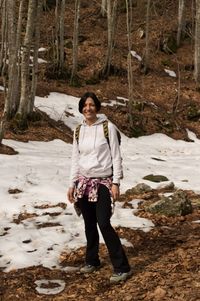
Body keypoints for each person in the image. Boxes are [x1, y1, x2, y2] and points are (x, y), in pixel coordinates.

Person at [67, 92, 131, 284]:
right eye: (85, 105)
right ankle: (92, 260)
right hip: (83, 183)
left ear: (97, 107)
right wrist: (71, 184)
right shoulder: (78, 130)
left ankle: (122, 267)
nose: (88, 108)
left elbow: (116, 156)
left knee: (103, 223)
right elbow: (75, 159)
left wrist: (116, 182)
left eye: (92, 105)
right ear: (81, 108)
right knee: (89, 223)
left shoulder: (108, 128)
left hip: (103, 182)